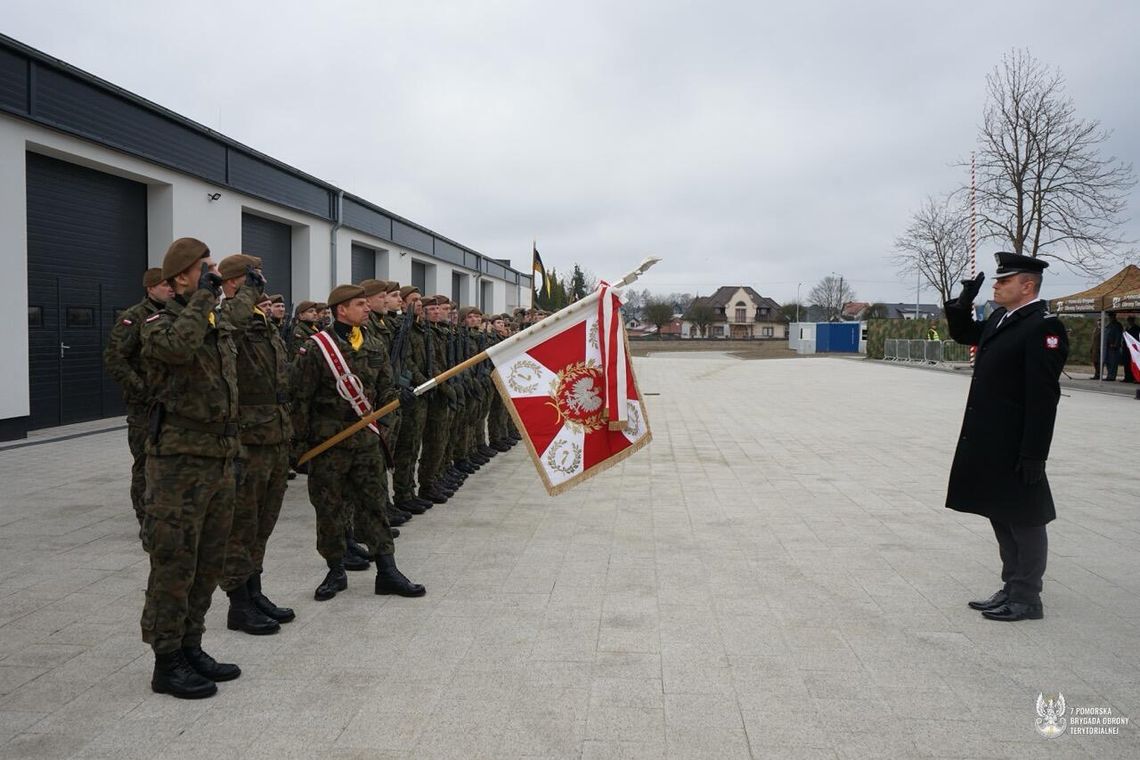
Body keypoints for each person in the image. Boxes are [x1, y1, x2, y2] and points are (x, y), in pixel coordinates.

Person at [140, 238, 241, 698]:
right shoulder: (157, 323)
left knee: (207, 562)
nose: (215, 276)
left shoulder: (213, 321)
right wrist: (204, 296)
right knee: (174, 563)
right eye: (206, 269)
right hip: (178, 465)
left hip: (217, 458)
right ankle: (166, 661)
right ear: (181, 276)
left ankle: (191, 645)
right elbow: (179, 349)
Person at [944, 252, 1068, 622]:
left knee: (1026, 519)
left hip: (1018, 443)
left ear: (1026, 285)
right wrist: (961, 305)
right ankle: (1011, 586)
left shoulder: (1044, 328)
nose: (996, 286)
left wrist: (1034, 454)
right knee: (1000, 511)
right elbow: (965, 334)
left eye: (1004, 281)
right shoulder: (1001, 317)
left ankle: (1028, 597)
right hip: (991, 439)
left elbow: (1043, 398)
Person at [291, 284, 424, 601]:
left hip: (366, 443)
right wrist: (299, 450)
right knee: (330, 510)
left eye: (367, 303)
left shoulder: (375, 344)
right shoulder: (316, 349)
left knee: (375, 506)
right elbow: (299, 400)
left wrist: (388, 421)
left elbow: (386, 391)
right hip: (329, 445)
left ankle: (387, 571)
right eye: (360, 304)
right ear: (341, 310)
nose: (367, 308)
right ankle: (335, 570)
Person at [215, 255, 294, 635]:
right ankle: (238, 602)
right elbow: (230, 318)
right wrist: (244, 293)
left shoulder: (264, 325)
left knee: (263, 522)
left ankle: (254, 589)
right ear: (233, 283)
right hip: (248, 439)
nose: (260, 284)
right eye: (251, 279)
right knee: (242, 525)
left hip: (275, 436)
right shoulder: (229, 319)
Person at [103, 267, 173, 528]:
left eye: (172, 285)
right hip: (144, 407)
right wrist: (141, 389)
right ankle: (146, 520)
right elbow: (114, 358)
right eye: (165, 285)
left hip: (169, 403)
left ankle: (164, 514)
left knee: (167, 463)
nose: (170, 289)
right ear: (150, 287)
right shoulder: (134, 317)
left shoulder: (173, 315)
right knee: (145, 463)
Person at [1103, 312, 1123, 381]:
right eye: (1109, 317)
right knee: (1108, 361)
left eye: (1111, 317)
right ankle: (1109, 375)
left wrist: (1115, 344)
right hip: (1107, 346)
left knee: (1113, 362)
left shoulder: (1117, 325)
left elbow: (1118, 335)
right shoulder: (1109, 325)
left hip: (1113, 347)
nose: (1110, 318)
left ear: (1114, 317)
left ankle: (1112, 376)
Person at [1121, 316, 1138, 383]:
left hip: (1133, 348)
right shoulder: (1127, 328)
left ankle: (1133, 377)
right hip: (1126, 348)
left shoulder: (1137, 328)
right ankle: (1127, 377)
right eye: (1128, 320)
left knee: (1132, 364)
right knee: (1126, 363)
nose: (1129, 322)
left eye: (1131, 320)